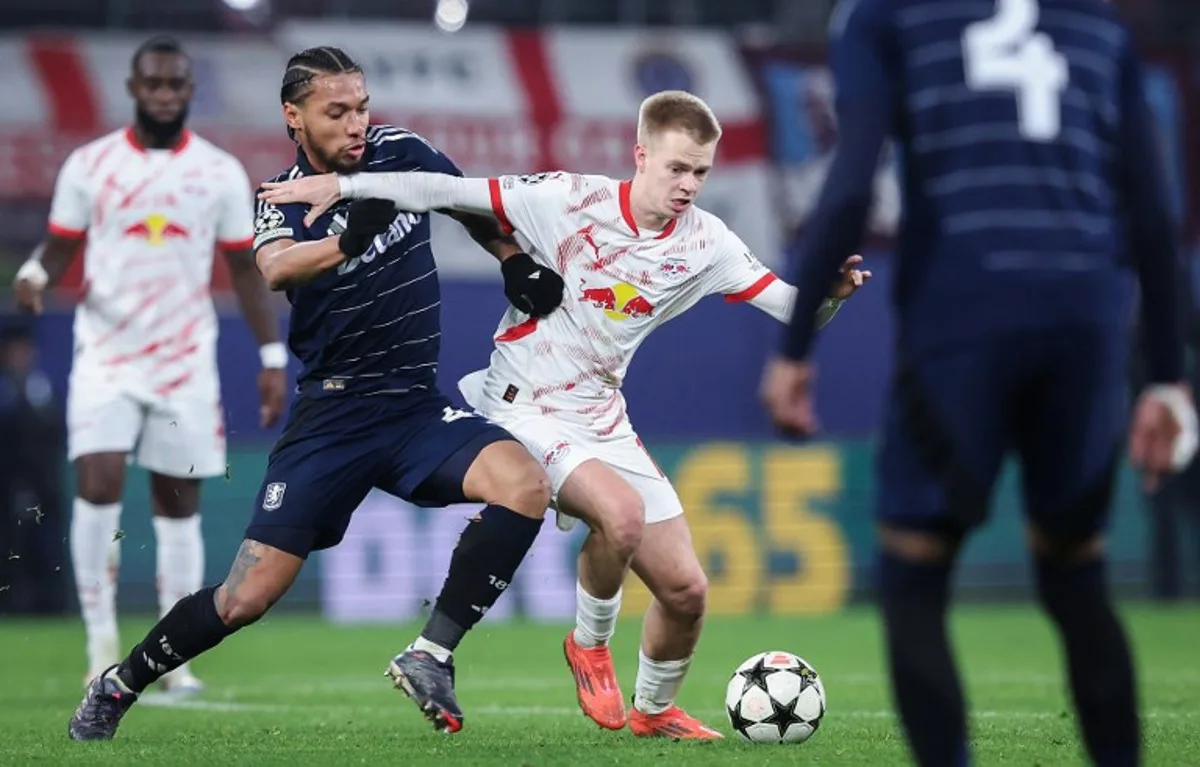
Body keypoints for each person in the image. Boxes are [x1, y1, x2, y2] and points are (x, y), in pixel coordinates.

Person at [257, 89, 869, 739]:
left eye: (701, 171)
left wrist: (828, 297)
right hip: (523, 402)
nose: (689, 184)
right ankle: (589, 646)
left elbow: (791, 307)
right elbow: (446, 190)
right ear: (640, 155)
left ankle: (654, 711)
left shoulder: (706, 243)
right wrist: (342, 185)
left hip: (601, 416)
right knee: (621, 516)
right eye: (676, 168)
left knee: (687, 591)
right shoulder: (567, 200)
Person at [67, 45, 566, 742]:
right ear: (293, 117)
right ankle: (120, 682)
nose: (357, 122)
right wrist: (347, 242)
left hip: (413, 406)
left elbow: (465, 202)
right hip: (332, 417)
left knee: (524, 485)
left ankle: (430, 653)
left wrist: (512, 260)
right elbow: (276, 269)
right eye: (337, 111)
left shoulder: (399, 152)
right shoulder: (280, 193)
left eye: (361, 105)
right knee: (246, 597)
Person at [758, 1, 1198, 765]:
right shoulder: (1098, 26)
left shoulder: (883, 17)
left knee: (914, 571)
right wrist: (1167, 376)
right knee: (1076, 571)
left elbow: (851, 184)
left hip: (961, 312)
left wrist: (794, 346)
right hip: (1086, 319)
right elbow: (1156, 215)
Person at [13, 35, 288, 696]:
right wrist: (30, 272)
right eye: (154, 84)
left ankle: (172, 658)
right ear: (134, 89)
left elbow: (244, 270)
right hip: (106, 355)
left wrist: (272, 353)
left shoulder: (218, 172)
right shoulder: (92, 164)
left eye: (176, 85)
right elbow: (58, 248)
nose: (165, 94)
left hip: (184, 361)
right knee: (99, 483)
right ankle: (100, 647)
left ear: (189, 92)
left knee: (177, 505)